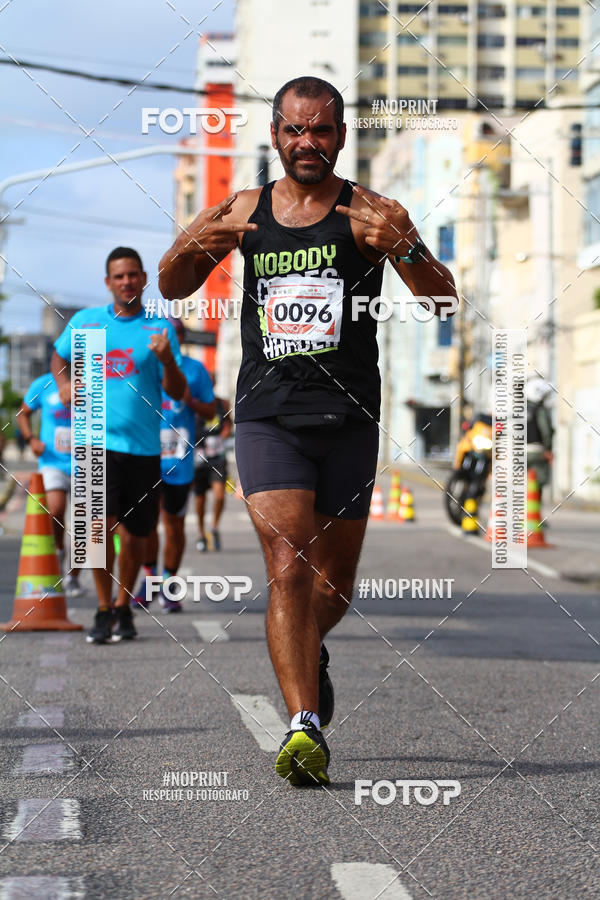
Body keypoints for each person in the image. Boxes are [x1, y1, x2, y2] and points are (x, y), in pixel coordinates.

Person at [158, 76, 457, 786]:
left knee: (333, 589)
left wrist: (408, 248)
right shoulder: (245, 210)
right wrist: (197, 238)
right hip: (267, 415)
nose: (307, 143)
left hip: (349, 416)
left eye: (321, 131)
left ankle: (307, 653)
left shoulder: (373, 212)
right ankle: (304, 727)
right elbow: (172, 285)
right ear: (275, 135)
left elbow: (441, 301)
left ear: (341, 137)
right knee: (287, 566)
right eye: (295, 130)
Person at [51, 247, 186, 644]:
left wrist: (169, 362)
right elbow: (58, 358)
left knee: (135, 537)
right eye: (118, 276)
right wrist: (62, 384)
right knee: (97, 530)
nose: (126, 281)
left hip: (143, 449)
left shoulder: (159, 330)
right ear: (108, 282)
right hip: (96, 443)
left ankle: (125, 606)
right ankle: (103, 607)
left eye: (132, 275)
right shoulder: (86, 322)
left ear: (143, 279)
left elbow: (176, 391)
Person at [132, 316, 215, 612]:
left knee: (174, 525)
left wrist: (191, 402)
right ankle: (150, 578)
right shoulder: (143, 367)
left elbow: (211, 410)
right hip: (145, 457)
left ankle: (169, 583)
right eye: (165, 336)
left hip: (179, 461)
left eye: (176, 335)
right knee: (147, 524)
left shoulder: (195, 370)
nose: (171, 340)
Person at [18, 373, 83, 598]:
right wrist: (31, 439)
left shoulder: (94, 381)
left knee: (83, 523)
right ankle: (59, 552)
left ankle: (73, 577)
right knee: (55, 510)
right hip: (53, 461)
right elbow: (22, 414)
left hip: (86, 462)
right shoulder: (43, 383)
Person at [194, 384, 233, 552]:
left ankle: (214, 528)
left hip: (217, 456)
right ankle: (201, 533)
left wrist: (221, 438)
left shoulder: (221, 403)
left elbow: (227, 425)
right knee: (200, 499)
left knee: (219, 494)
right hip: (198, 457)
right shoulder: (193, 403)